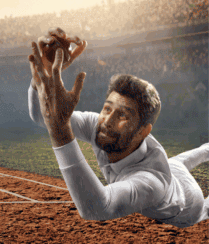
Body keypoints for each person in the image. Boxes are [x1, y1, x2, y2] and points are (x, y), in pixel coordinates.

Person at [28, 28, 209, 228]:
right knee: (181, 161)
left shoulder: (152, 182)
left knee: (200, 204)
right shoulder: (101, 125)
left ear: (143, 131)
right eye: (107, 108)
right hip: (169, 167)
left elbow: (98, 208)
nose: (108, 121)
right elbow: (41, 117)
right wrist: (41, 76)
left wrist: (60, 130)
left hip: (188, 204)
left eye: (123, 114)